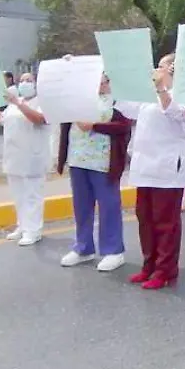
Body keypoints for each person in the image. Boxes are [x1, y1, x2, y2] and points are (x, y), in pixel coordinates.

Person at [118, 54, 185, 290]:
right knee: (145, 218)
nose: (156, 70)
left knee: (165, 222)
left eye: (162, 66)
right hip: (145, 167)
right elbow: (125, 107)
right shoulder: (148, 96)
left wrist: (162, 88)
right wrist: (113, 84)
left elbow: (176, 113)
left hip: (169, 168)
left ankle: (165, 269)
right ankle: (148, 265)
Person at [57, 74, 131, 271]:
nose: (100, 84)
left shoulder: (118, 101)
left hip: (103, 161)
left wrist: (94, 126)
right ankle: (83, 247)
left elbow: (124, 127)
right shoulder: (78, 100)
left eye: (104, 80)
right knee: (81, 206)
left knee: (109, 205)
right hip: (78, 159)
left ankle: (113, 250)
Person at [0, 73, 51, 246]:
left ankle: (33, 230)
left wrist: (18, 102)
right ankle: (22, 226)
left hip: (33, 155)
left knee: (32, 194)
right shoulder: (13, 105)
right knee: (19, 194)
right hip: (14, 155)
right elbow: (0, 119)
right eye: (22, 80)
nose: (25, 83)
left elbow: (39, 119)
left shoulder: (42, 102)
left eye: (29, 80)